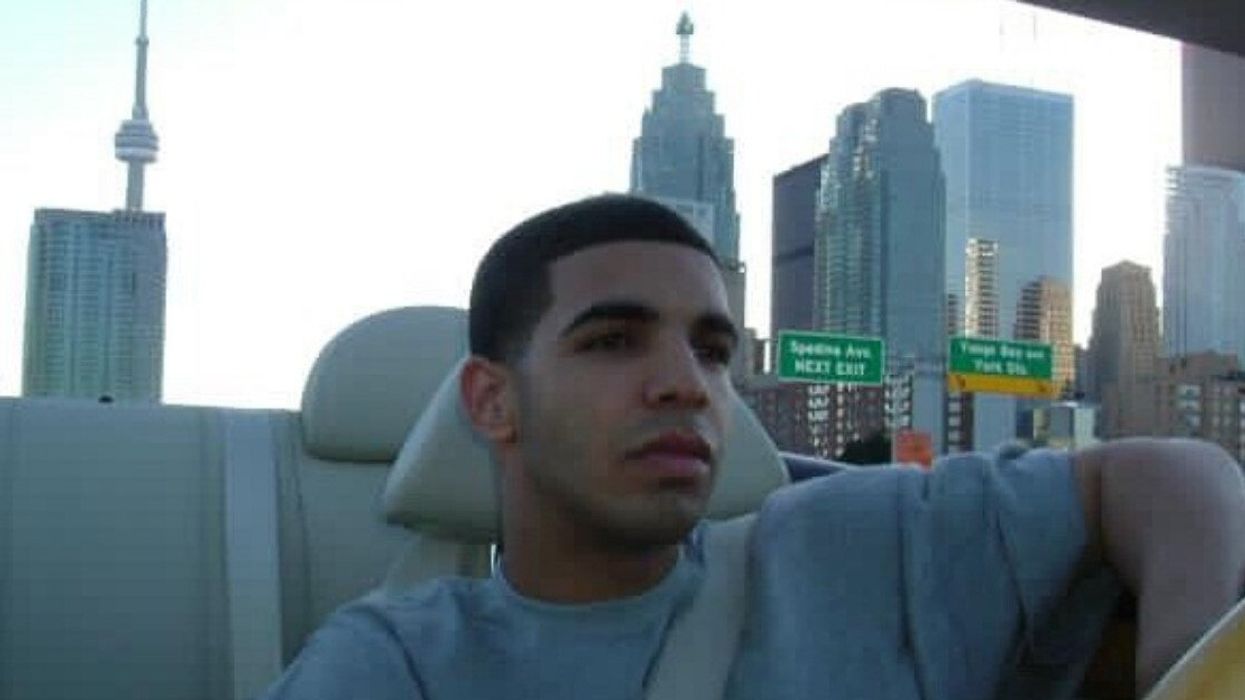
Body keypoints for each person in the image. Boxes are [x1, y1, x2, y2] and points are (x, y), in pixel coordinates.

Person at [262, 195, 1245, 699]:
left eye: (713, 348)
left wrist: (1187, 666)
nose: (686, 380)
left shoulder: (862, 537)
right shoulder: (393, 663)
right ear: (492, 400)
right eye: (613, 339)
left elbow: (1173, 474)